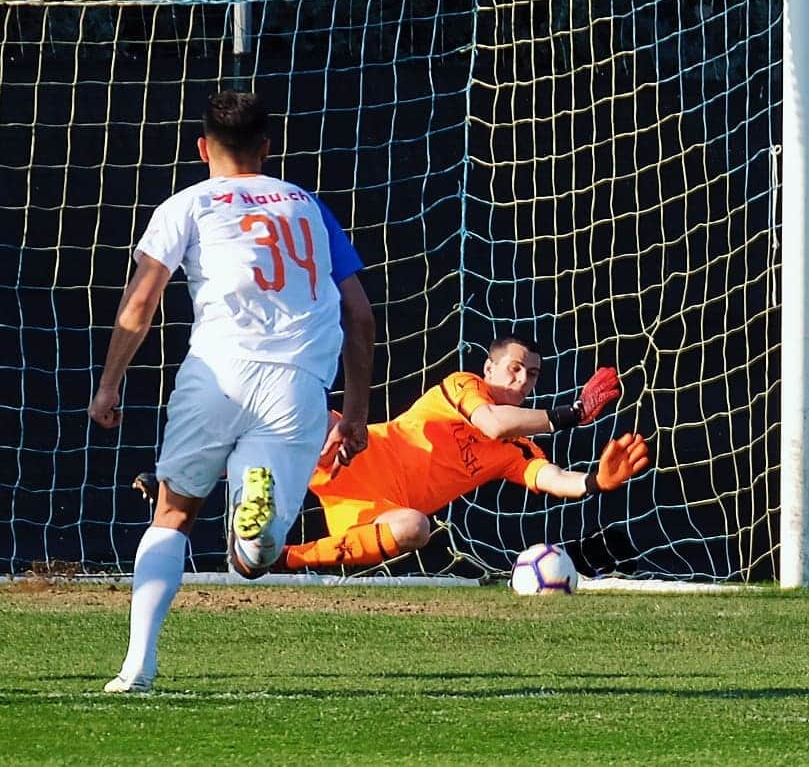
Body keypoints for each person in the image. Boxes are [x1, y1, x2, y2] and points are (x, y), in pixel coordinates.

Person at [88, 90, 375, 693]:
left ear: (201, 148)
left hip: (215, 373)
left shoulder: (187, 203)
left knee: (173, 511)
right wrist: (353, 412)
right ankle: (253, 517)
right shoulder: (307, 205)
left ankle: (138, 666)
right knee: (256, 562)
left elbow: (140, 303)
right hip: (297, 383)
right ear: (267, 148)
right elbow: (359, 314)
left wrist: (110, 383)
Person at [135, 336, 647, 575]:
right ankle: (176, 476)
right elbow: (492, 421)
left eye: (532, 374)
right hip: (349, 452)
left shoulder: (518, 447)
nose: (522, 380)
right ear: (490, 371)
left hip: (373, 511)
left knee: (415, 529)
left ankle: (280, 559)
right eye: (514, 369)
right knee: (315, 418)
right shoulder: (462, 386)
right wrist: (574, 413)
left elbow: (550, 475)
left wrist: (596, 483)